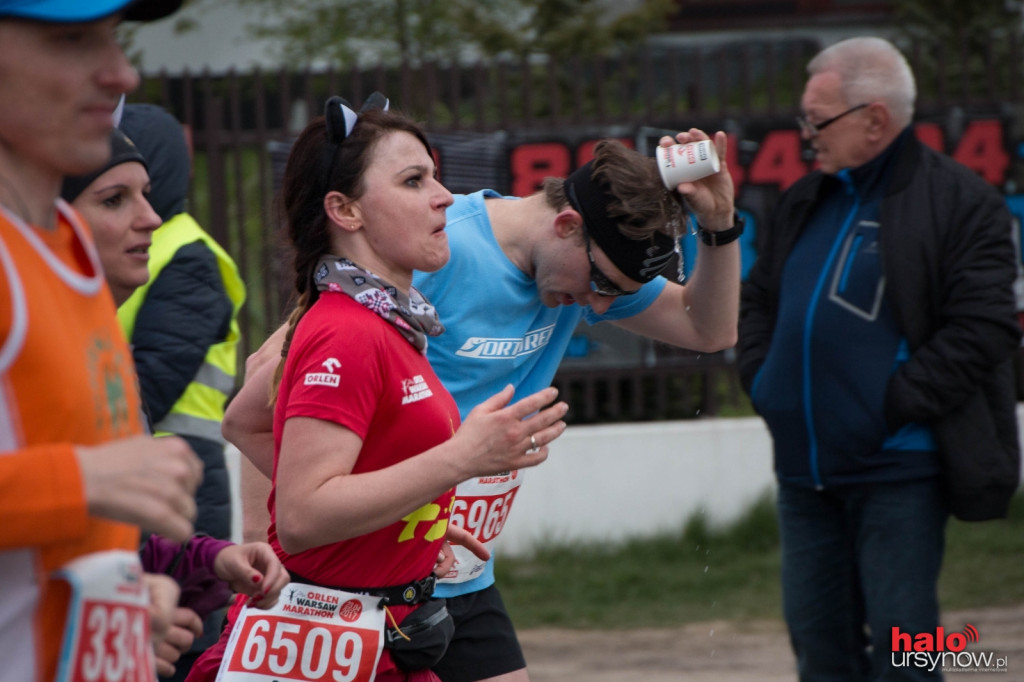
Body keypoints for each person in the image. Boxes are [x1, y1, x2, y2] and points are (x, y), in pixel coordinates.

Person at [229, 103, 741, 679]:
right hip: (358, 581)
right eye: (599, 284)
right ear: (568, 226)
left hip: (454, 568)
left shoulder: (577, 272)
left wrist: (720, 224)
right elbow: (270, 387)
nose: (600, 307)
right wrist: (261, 552)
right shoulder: (431, 251)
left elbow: (710, 329)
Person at [188, 96, 569, 682]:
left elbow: (244, 421)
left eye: (436, 176)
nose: (444, 196)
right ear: (345, 211)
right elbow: (302, 515)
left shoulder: (388, 322)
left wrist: (406, 520)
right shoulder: (349, 330)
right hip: (322, 640)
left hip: (378, 635)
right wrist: (461, 458)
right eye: (414, 181)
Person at [736, 36, 1021, 681]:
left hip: (898, 472)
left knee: (906, 654)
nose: (806, 134)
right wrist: (765, 382)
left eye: (818, 119)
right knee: (819, 649)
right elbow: (758, 301)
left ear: (876, 120)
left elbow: (985, 327)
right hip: (804, 476)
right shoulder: (806, 198)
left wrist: (888, 406)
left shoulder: (960, 202)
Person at [0, 1, 205, 680]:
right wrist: (85, 480)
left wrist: (115, 589)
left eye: (114, 40)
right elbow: (72, 485)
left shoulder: (70, 253)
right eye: (71, 41)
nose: (121, 73)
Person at [62, 125, 292, 680]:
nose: (151, 217)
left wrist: (208, 558)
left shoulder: (102, 353)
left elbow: (116, 545)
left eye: (146, 192)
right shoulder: (32, 356)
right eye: (115, 199)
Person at [118, 102, 245, 543]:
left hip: (182, 468)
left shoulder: (188, 255)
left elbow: (152, 380)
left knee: (186, 605)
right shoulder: (137, 245)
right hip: (152, 462)